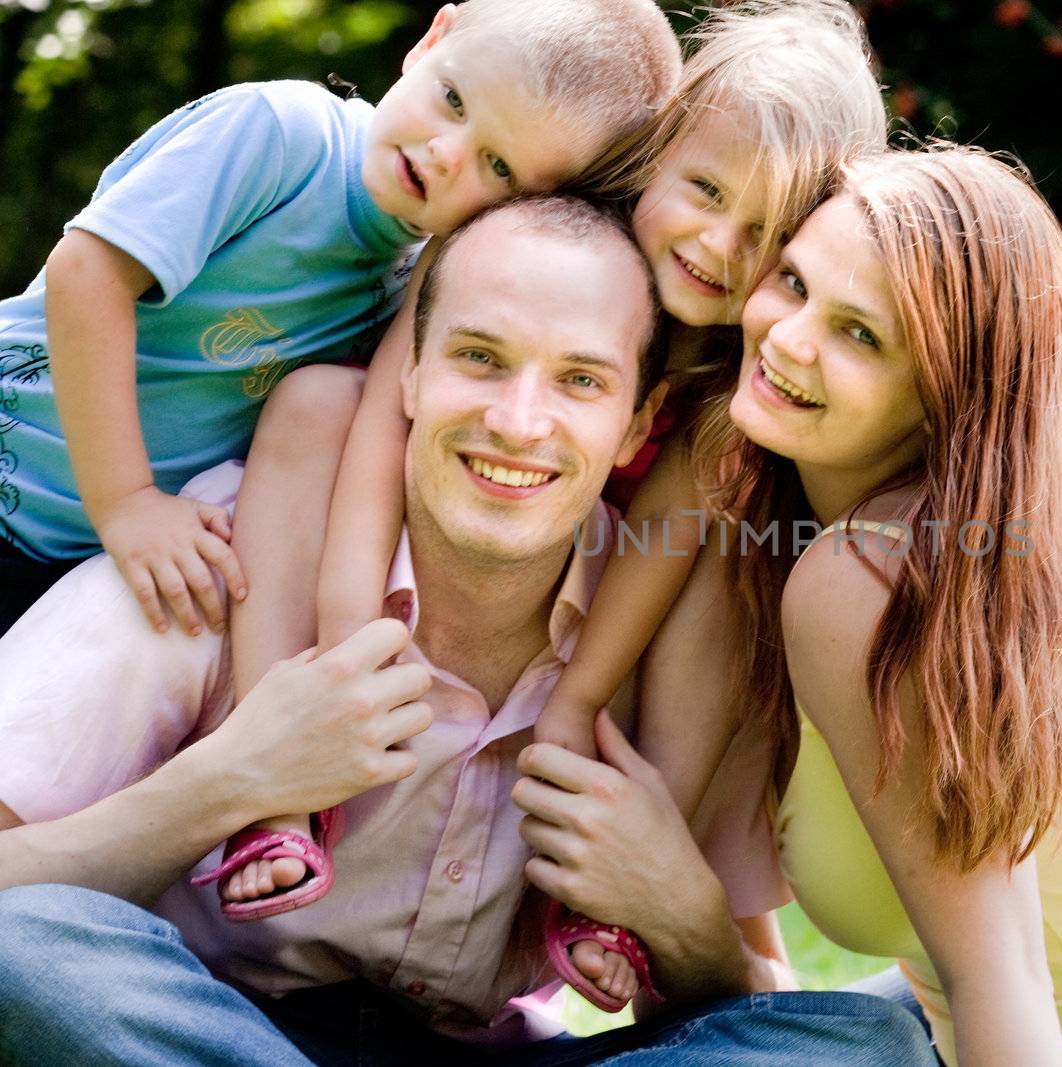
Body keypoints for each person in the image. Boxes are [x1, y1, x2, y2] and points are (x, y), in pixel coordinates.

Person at [0, 196, 937, 1067]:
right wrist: (233, 777)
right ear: (407, 376)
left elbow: (742, 1003)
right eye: (480, 357)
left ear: (635, 423)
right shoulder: (222, 563)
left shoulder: (674, 642)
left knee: (872, 1041)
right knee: (22, 950)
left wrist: (684, 916)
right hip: (216, 1030)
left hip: (498, 1052)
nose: (518, 422)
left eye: (579, 379)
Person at [217, 0, 886, 1013]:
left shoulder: (724, 377)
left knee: (724, 556)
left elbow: (663, 539)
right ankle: (269, 798)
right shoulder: (523, 244)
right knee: (319, 405)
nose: (716, 244)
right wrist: (349, 632)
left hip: (591, 574)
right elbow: (377, 436)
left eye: (764, 232)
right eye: (702, 189)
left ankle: (619, 871)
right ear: (657, 154)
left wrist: (576, 705)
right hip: (443, 510)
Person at [701, 146, 1062, 1066]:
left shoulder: (876, 580)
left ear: (947, 399)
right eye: (792, 282)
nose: (787, 336)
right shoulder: (996, 555)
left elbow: (1003, 977)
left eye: (861, 334)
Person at [0, 0, 681, 637]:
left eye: (498, 164)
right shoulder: (284, 138)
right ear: (431, 42)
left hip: (85, 553)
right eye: (453, 100)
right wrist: (128, 502)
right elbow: (85, 274)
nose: (446, 153)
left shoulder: (426, 280)